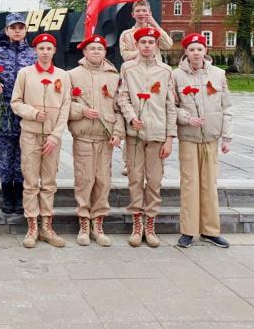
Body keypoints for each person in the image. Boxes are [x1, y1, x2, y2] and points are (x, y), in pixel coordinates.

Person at [10, 33, 71, 248]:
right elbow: (15, 102)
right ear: (35, 51)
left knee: (49, 183)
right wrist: (33, 113)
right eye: (41, 48)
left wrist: (55, 135)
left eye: (49, 48)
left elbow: (66, 107)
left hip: (52, 138)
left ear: (54, 51)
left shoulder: (63, 76)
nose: (45, 52)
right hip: (30, 134)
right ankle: (32, 226)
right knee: (30, 182)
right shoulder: (25, 74)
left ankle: (47, 226)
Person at [172, 33, 233, 249]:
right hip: (189, 137)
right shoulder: (177, 76)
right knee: (190, 184)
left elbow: (226, 107)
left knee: (209, 184)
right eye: (191, 49)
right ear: (185, 52)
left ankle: (210, 231)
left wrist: (227, 137)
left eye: (199, 49)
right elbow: (172, 106)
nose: (196, 53)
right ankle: (188, 230)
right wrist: (187, 118)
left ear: (205, 51)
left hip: (211, 138)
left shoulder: (218, 74)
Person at [118, 27, 176, 248]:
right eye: (143, 42)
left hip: (157, 134)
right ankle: (136, 224)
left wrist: (170, 137)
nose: (147, 46)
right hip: (135, 135)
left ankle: (150, 225)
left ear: (156, 45)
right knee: (135, 179)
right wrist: (132, 118)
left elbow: (171, 105)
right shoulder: (128, 68)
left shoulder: (165, 71)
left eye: (151, 42)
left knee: (153, 181)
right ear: (137, 45)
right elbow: (122, 97)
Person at [67, 35, 124, 246]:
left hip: (105, 138)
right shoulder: (72, 75)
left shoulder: (114, 76)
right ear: (84, 52)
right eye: (92, 48)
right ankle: (83, 224)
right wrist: (81, 110)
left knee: (102, 180)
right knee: (84, 179)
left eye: (100, 48)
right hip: (83, 136)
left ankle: (98, 224)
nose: (97, 52)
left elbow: (120, 107)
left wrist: (118, 133)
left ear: (105, 52)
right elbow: (65, 105)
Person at [0, 13, 36, 214]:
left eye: (20, 27)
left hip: (26, 114)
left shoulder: (33, 55)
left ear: (25, 31)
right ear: (6, 30)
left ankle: (19, 195)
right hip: (2, 113)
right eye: (13, 27)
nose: (17, 31)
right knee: (5, 156)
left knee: (23, 155)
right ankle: (7, 195)